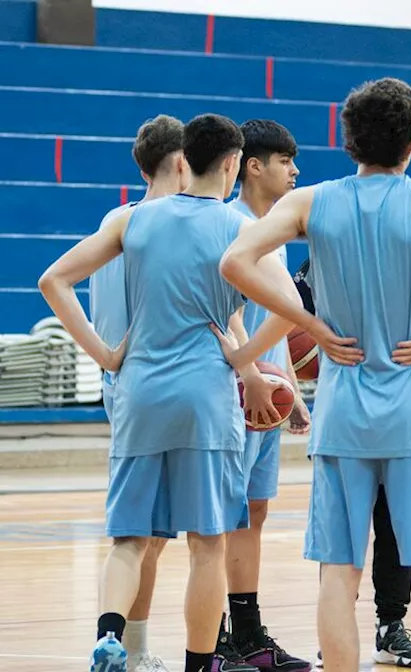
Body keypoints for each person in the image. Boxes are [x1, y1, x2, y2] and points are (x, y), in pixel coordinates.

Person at [218, 76, 411, 672]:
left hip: (343, 410)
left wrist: (309, 321)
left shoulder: (309, 203)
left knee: (339, 570)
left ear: (348, 137)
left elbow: (235, 261)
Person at [43, 112, 295, 672]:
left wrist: (107, 355)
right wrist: (243, 357)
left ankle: (111, 635)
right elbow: (291, 310)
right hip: (205, 397)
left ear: (188, 159)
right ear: (232, 163)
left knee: (130, 540)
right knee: (207, 544)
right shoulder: (240, 231)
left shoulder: (134, 221)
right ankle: (198, 665)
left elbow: (52, 281)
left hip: (138, 392)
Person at [304, 255, 411, 669]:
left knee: (394, 532)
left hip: (407, 416)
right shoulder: (324, 256)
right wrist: (311, 334)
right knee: (340, 551)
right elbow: (292, 304)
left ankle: (391, 626)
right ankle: (334, 637)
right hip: (349, 415)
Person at [87, 114, 191, 672]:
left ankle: (127, 646)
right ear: (181, 162)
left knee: (144, 534)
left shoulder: (115, 219)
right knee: (156, 535)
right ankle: (139, 647)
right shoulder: (169, 226)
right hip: (164, 384)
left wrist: (104, 356)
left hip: (120, 386)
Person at [219, 118, 314, 672]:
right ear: (253, 165)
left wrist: (292, 390)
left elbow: (277, 320)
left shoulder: (273, 232)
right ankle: (220, 637)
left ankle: (250, 635)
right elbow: (224, 310)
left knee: (253, 514)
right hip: (233, 396)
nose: (295, 171)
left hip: (265, 399)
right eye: (285, 161)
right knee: (224, 519)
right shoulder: (229, 225)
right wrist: (253, 372)